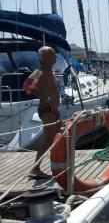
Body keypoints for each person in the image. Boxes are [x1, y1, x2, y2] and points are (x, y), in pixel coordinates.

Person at [29, 46, 61, 179]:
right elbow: (31, 88)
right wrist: (47, 100)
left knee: (57, 138)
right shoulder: (42, 72)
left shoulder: (48, 71)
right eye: (53, 54)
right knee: (48, 140)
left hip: (52, 110)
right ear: (46, 57)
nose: (55, 57)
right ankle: (35, 169)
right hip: (46, 109)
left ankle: (59, 164)